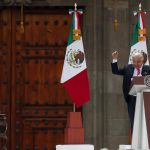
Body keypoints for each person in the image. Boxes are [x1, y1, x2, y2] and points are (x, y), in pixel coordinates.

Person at [111, 51, 150, 131]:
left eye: (138, 62)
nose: (136, 64)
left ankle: (145, 142)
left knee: (145, 121)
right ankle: (135, 141)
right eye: (134, 61)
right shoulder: (127, 68)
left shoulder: (148, 69)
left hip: (145, 98)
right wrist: (114, 59)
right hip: (131, 98)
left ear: (143, 60)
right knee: (133, 120)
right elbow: (115, 71)